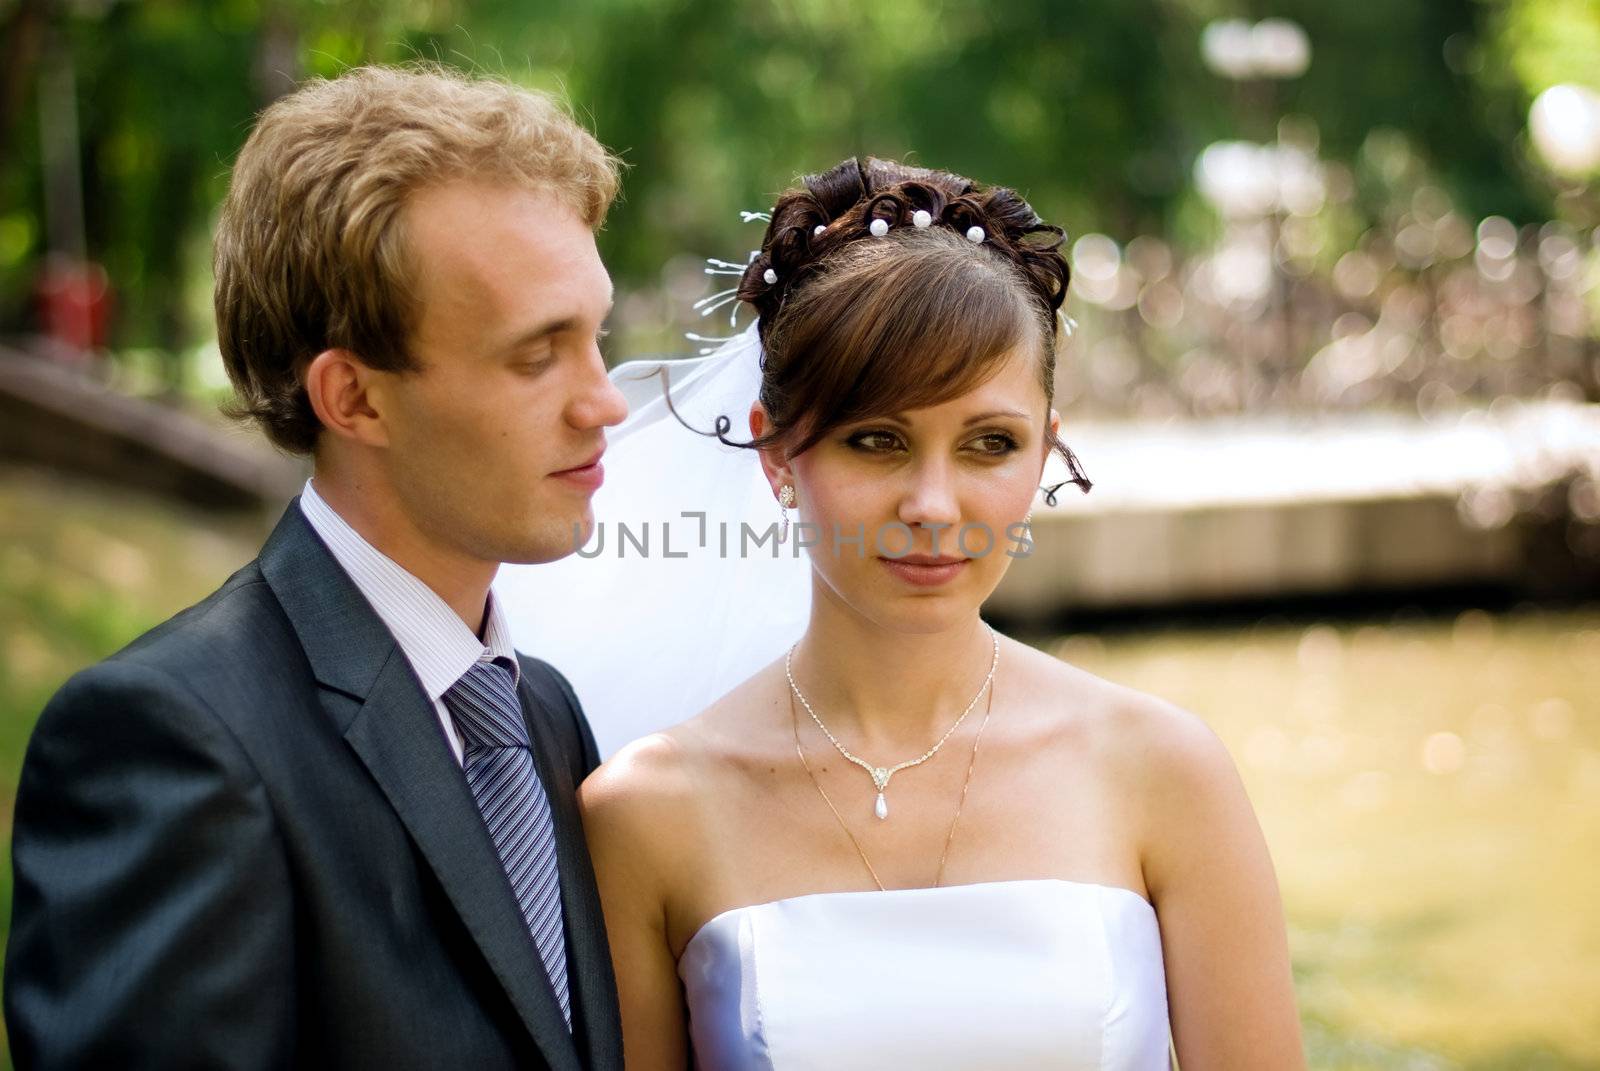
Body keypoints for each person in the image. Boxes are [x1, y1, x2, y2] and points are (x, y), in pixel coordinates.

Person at [570, 159, 1307, 1068]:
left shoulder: (1163, 771)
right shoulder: (647, 814)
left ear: (1045, 451)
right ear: (775, 452)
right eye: (876, 440)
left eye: (989, 443)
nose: (933, 503)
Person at [4, 65, 629, 1070]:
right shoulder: (176, 742)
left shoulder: (544, 716)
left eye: (594, 338)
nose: (605, 404)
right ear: (355, 399)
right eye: (535, 355)